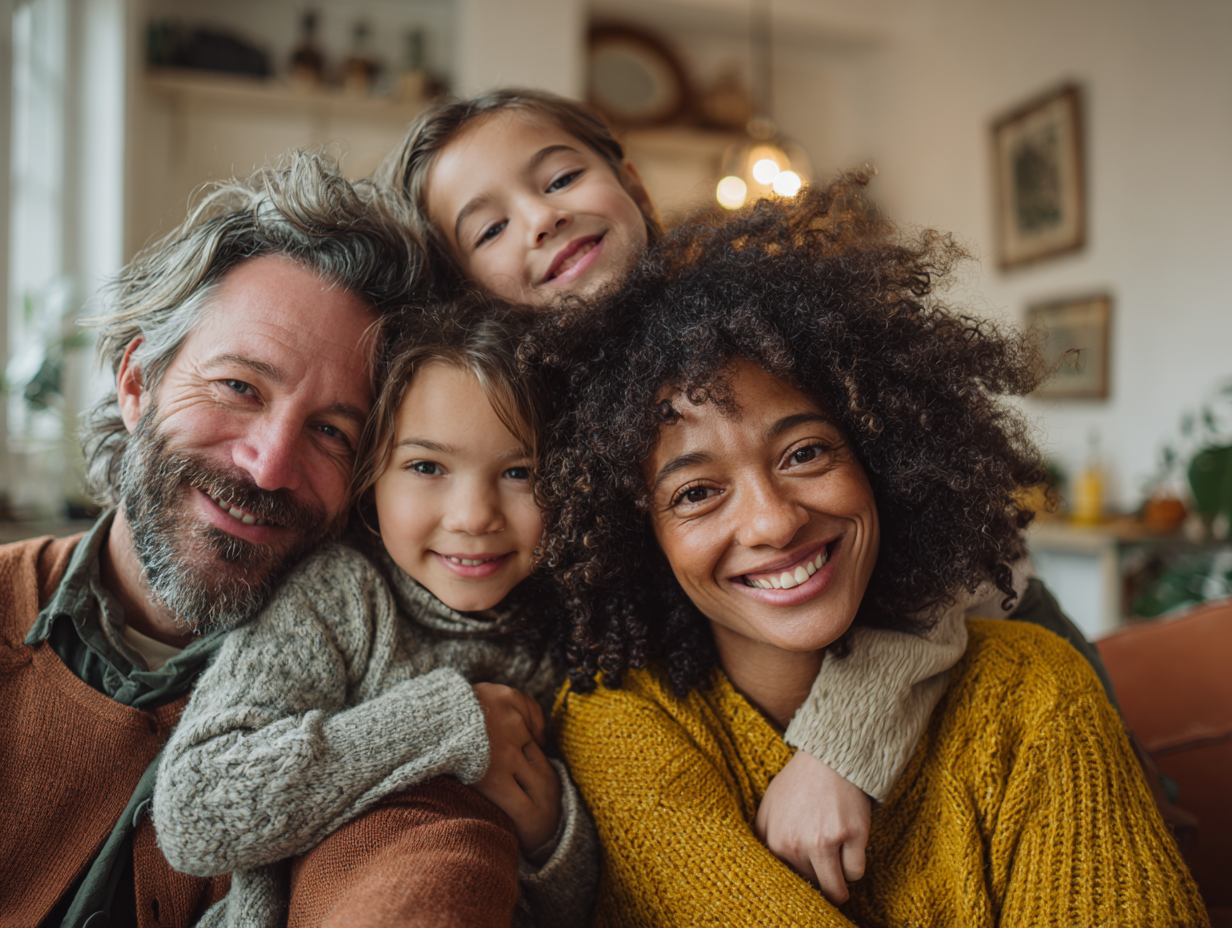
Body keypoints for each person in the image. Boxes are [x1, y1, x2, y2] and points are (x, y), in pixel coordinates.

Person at [374, 89, 1116, 900]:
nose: (541, 219)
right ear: (463, 290)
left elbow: (942, 558)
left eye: (558, 180)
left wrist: (840, 745)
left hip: (984, 632)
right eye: (489, 227)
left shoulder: (760, 320)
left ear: (633, 185)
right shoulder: (526, 423)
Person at [535, 177, 1208, 926]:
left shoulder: (1037, 693)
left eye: (805, 453)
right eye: (695, 493)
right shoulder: (618, 727)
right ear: (638, 537)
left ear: (883, 462)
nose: (772, 523)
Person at [0, 152, 499, 928]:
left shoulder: (382, 680)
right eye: (239, 388)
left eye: (333, 432)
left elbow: (425, 861)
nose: (267, 466)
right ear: (137, 383)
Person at [152, 301, 597, 928]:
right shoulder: (341, 595)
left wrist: (549, 832)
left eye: (521, 472)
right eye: (426, 467)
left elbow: (578, 906)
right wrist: (451, 722)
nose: (473, 516)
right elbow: (197, 811)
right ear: (371, 480)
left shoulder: (571, 633)